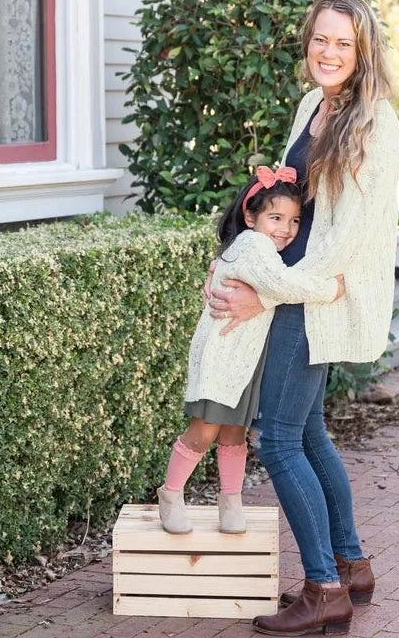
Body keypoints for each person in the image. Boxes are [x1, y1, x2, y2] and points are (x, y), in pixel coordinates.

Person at [205, 0, 399, 636]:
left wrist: (268, 294)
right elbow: (282, 205)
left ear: (362, 51)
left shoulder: (375, 122)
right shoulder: (311, 105)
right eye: (321, 38)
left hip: (316, 297)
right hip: (294, 286)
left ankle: (323, 588)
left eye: (343, 42)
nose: (329, 51)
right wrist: (233, 261)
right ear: (307, 41)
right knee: (310, 432)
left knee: (280, 439)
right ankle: (350, 566)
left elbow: (347, 238)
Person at [157, 165, 345, 536]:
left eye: (294, 221)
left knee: (234, 433)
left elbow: (270, 287)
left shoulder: (257, 248)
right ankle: (171, 493)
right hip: (222, 358)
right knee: (204, 432)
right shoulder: (255, 246)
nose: (286, 229)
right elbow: (281, 285)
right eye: (275, 218)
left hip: (243, 362)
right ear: (250, 217)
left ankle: (230, 502)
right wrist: (333, 290)